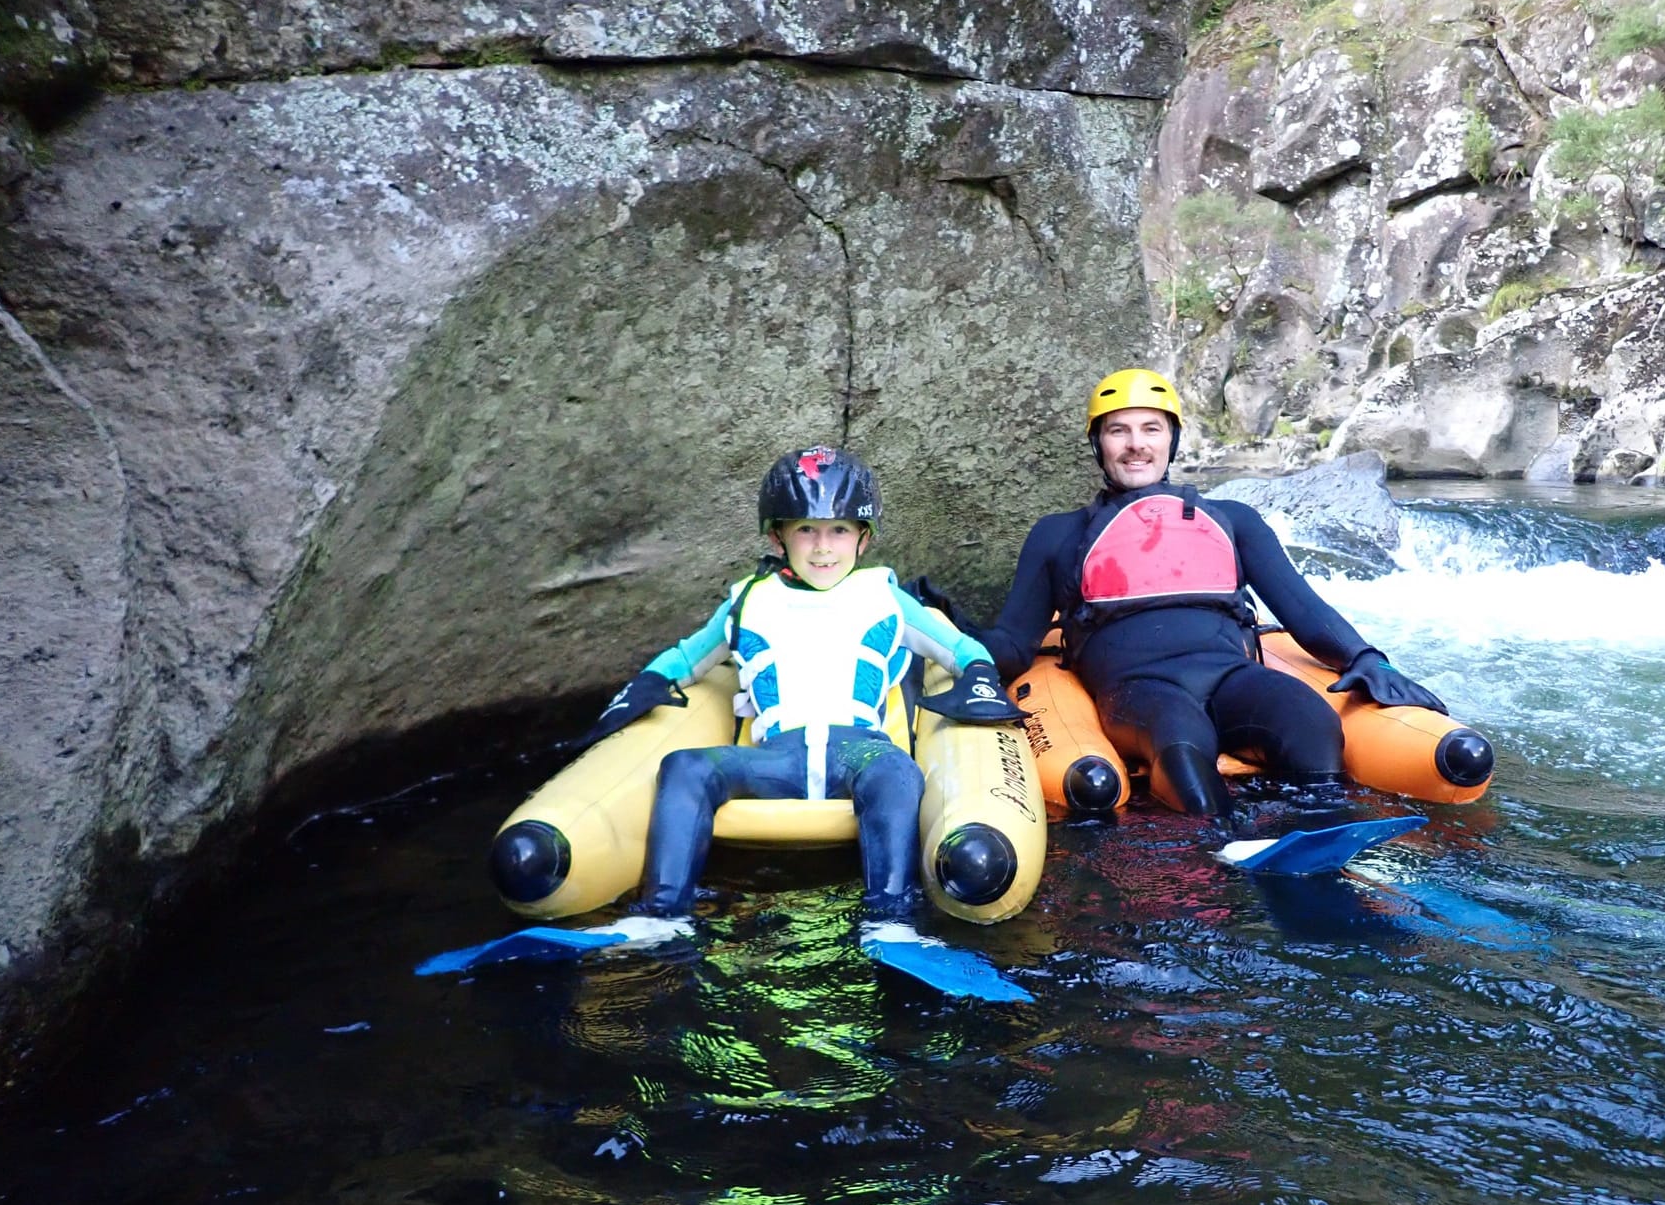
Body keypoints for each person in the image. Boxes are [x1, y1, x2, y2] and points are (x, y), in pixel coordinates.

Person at [580, 446, 1025, 989]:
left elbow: (961, 649)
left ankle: (889, 923)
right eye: (806, 530)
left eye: (838, 530)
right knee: (685, 766)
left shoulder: (885, 597)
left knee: (896, 771)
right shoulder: (747, 600)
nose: (822, 547)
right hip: (777, 757)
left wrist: (978, 675)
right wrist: (648, 682)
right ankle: (661, 915)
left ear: (863, 538)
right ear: (778, 537)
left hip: (858, 751)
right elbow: (685, 658)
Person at [978, 369, 1447, 818]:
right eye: (1119, 431)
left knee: (1309, 721)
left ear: (1172, 440)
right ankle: (1214, 847)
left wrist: (1367, 658)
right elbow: (1016, 643)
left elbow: (1303, 608)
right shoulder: (1058, 534)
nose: (1136, 444)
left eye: (1151, 429)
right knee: (1179, 739)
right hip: (1139, 691)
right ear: (1098, 444)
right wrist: (959, 639)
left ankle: (1319, 834)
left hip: (1230, 676)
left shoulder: (1233, 520)